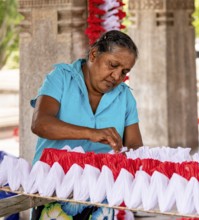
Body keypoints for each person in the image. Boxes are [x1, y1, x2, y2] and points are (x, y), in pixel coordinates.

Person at [30, 30, 143, 219]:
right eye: (113, 65)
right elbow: (40, 124)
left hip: (102, 196)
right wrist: (91, 133)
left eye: (124, 72)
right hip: (53, 190)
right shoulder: (61, 78)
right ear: (94, 54)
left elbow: (135, 146)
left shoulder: (125, 97)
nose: (116, 76)